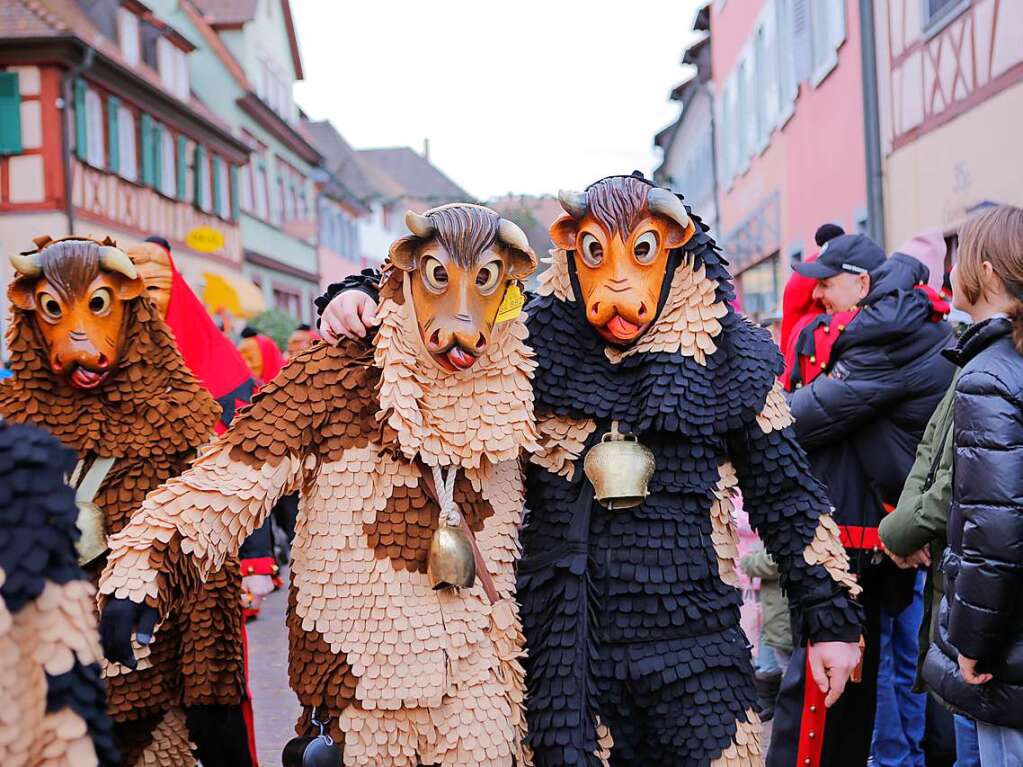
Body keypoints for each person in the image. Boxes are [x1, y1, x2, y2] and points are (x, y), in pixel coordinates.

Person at [316, 174, 864, 766]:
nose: (619, 281)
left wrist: (830, 619)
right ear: (574, 251)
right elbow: (451, 292)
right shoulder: (528, 335)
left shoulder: (730, 354)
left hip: (698, 645)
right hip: (567, 653)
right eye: (597, 252)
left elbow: (788, 493)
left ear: (676, 248)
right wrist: (360, 292)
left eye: (643, 251)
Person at [770, 233, 955, 767]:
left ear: (862, 282)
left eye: (828, 284)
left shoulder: (885, 336)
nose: (821, 296)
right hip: (873, 530)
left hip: (856, 541)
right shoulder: (895, 324)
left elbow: (803, 418)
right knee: (856, 688)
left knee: (824, 691)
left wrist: (754, 407)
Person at [922, 204, 1023, 764]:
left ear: (985, 271)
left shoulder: (989, 373)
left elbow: (995, 527)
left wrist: (972, 643)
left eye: (958, 256)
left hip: (1007, 646)